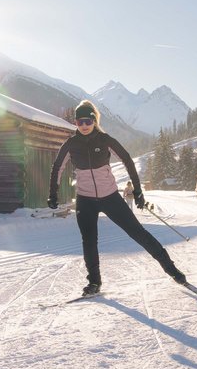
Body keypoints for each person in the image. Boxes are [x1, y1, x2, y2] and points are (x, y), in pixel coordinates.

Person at [48, 99, 186, 297]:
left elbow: (127, 160)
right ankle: (94, 282)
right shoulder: (71, 144)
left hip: (110, 197)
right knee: (89, 241)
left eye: (88, 121)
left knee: (138, 232)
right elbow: (57, 168)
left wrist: (138, 190)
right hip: (85, 199)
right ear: (76, 123)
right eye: (80, 122)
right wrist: (53, 193)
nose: (84, 126)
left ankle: (172, 270)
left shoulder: (105, 140)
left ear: (94, 121)